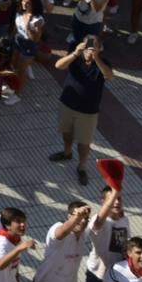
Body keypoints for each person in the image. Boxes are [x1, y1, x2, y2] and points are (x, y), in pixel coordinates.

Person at [49, 35, 112, 186]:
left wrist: (96, 58)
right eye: (87, 45)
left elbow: (109, 76)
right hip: (68, 103)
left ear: (100, 48)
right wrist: (75, 53)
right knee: (66, 132)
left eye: (94, 46)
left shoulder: (103, 63)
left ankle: (82, 166)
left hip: (88, 110)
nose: (90, 48)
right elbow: (58, 65)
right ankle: (67, 152)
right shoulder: (75, 57)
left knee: (84, 141)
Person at [30, 200, 92, 282]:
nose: (83, 221)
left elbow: (99, 220)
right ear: (69, 216)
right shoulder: (57, 226)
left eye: (85, 218)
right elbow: (61, 233)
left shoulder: (83, 232)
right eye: (80, 217)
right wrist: (77, 216)